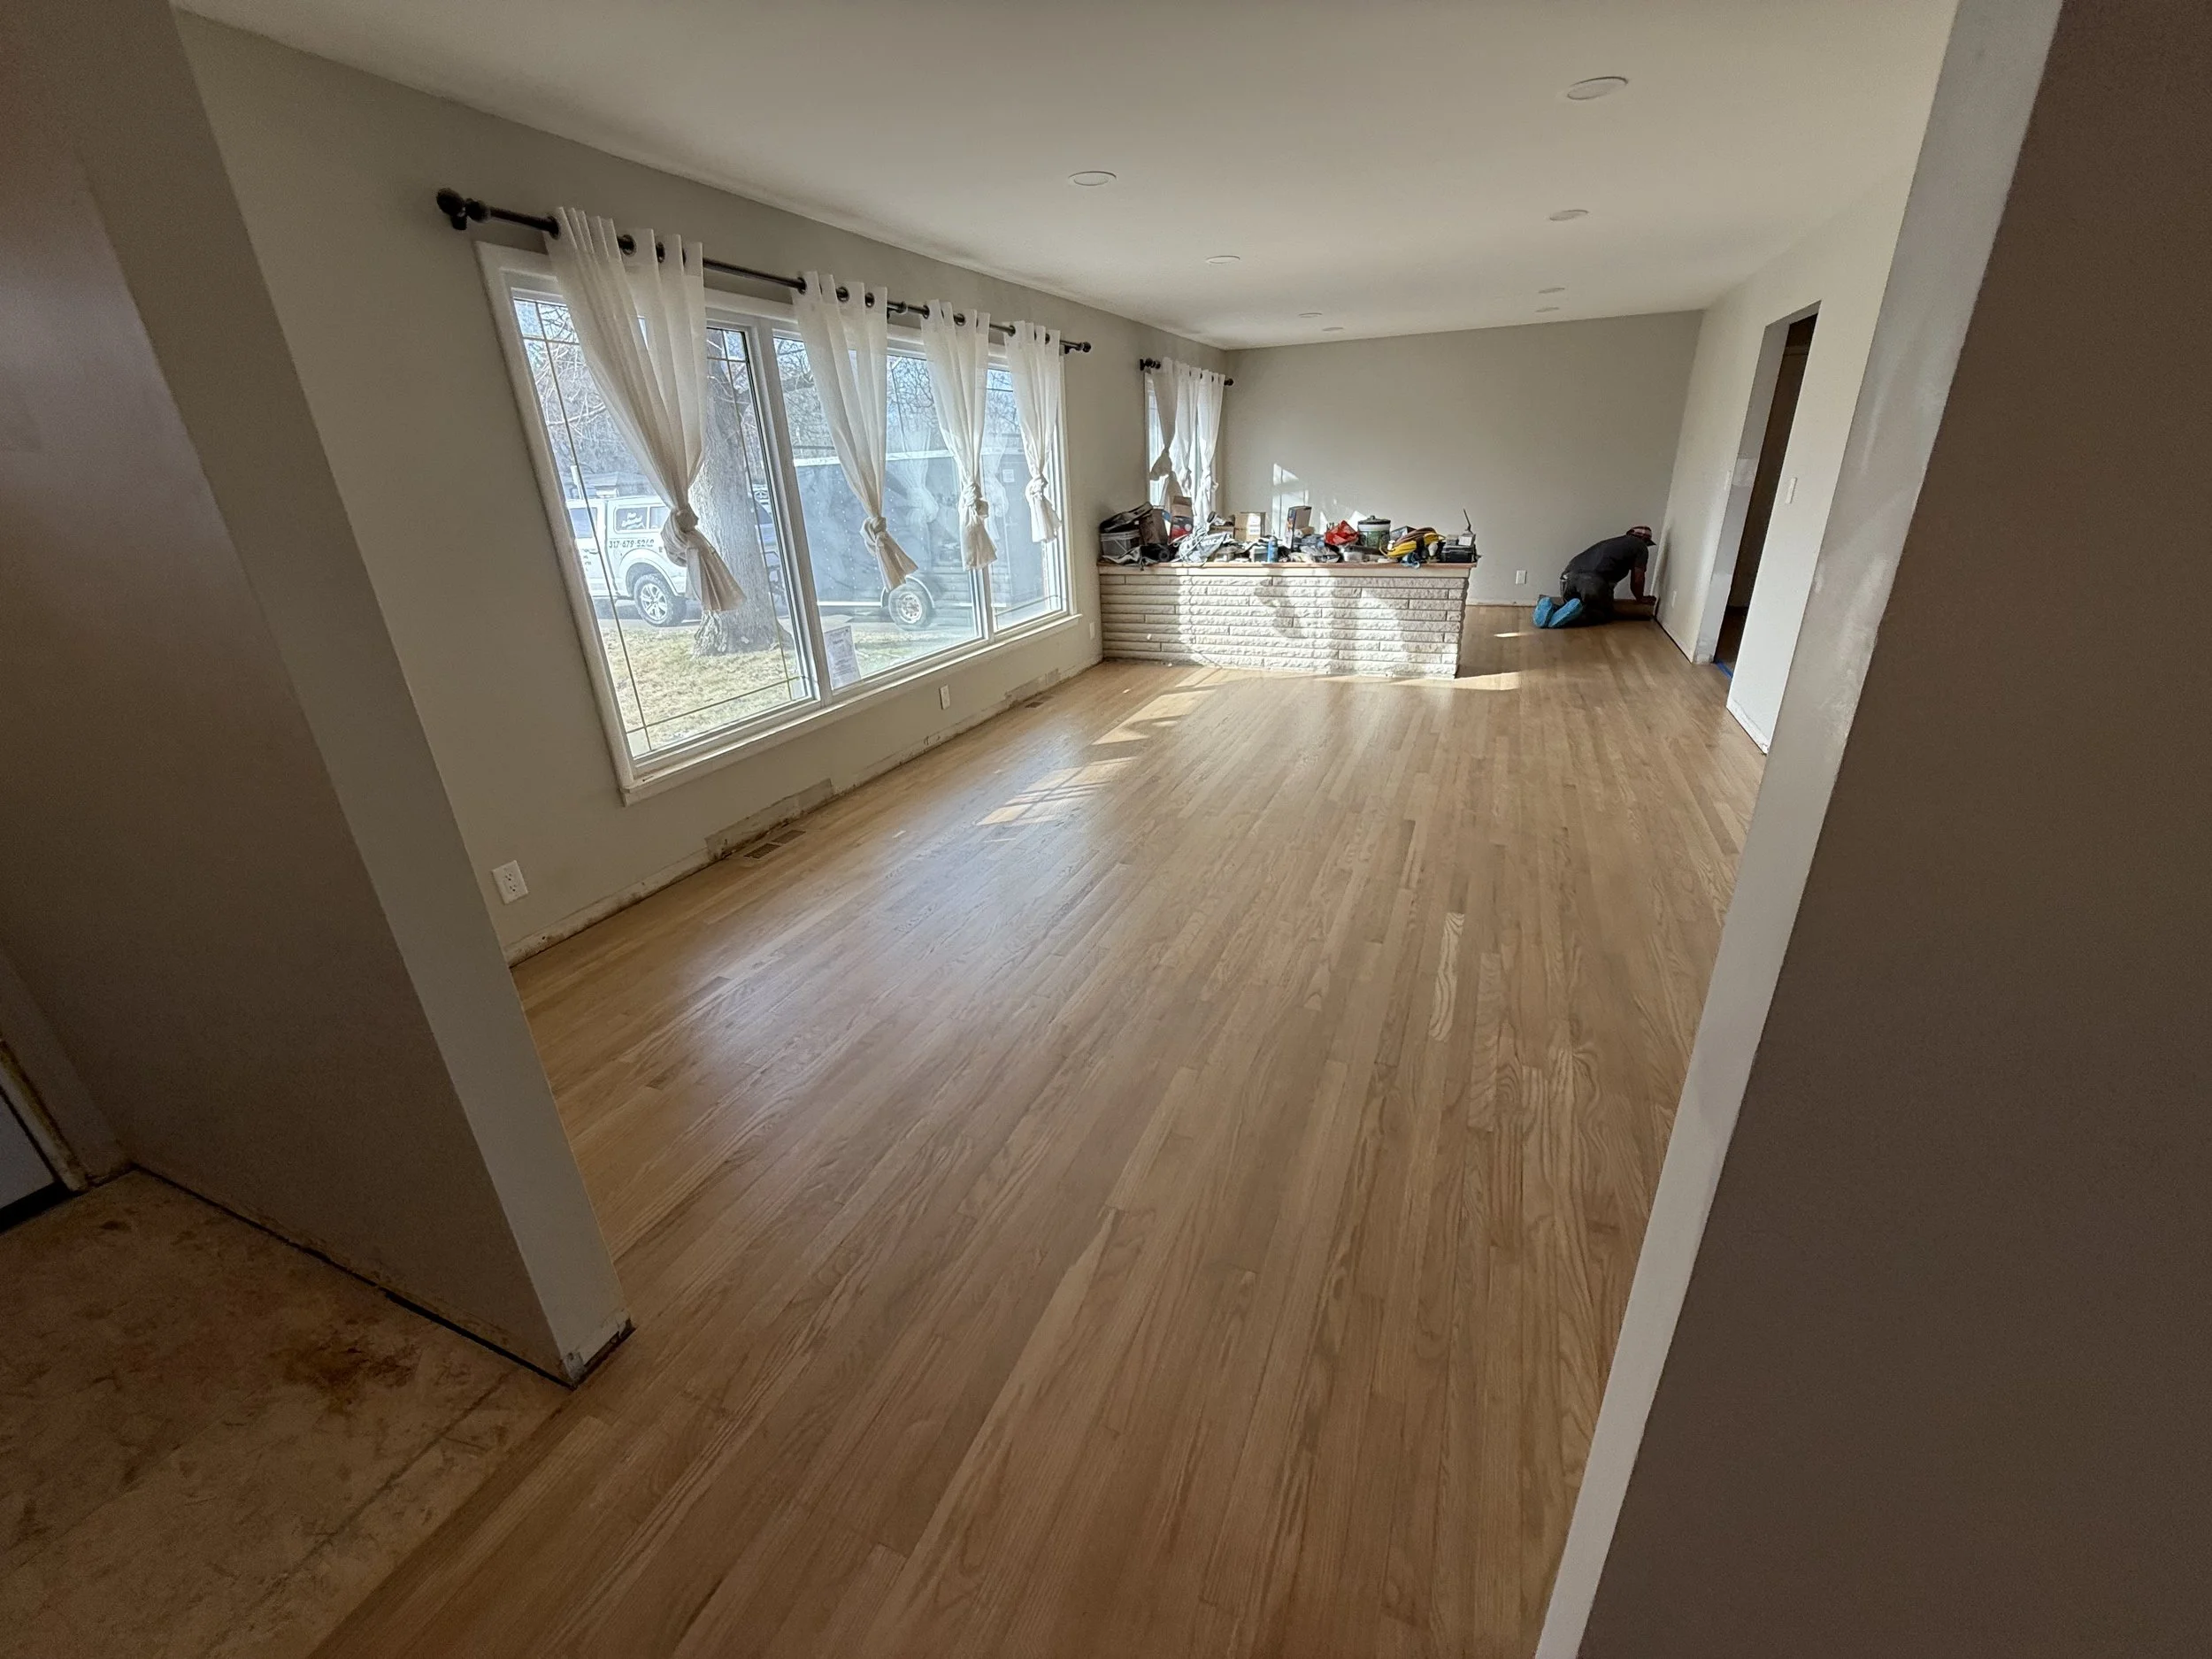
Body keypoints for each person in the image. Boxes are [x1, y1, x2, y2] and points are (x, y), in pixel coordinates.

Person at [1533, 526, 1655, 627]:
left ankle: (1550, 606)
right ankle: (1563, 621)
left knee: (1574, 606)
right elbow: (1638, 579)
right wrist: (1640, 598)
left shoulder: (1612, 543)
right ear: (1645, 540)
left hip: (1567, 578)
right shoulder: (1640, 546)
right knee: (1601, 615)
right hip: (1591, 582)